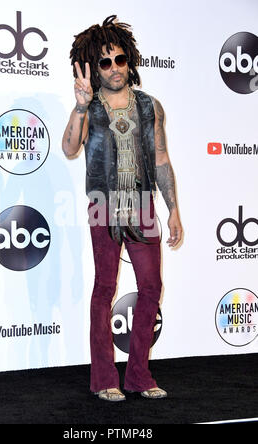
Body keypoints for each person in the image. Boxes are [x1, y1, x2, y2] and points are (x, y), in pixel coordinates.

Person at [62, 15, 182, 402]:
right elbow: (69, 148)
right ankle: (103, 379)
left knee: (151, 287)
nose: (114, 68)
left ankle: (139, 376)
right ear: (93, 68)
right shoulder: (90, 107)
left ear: (129, 61)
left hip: (144, 203)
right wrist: (80, 108)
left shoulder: (150, 107)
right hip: (104, 204)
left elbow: (161, 159)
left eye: (119, 60)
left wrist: (174, 208)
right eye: (104, 62)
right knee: (104, 288)